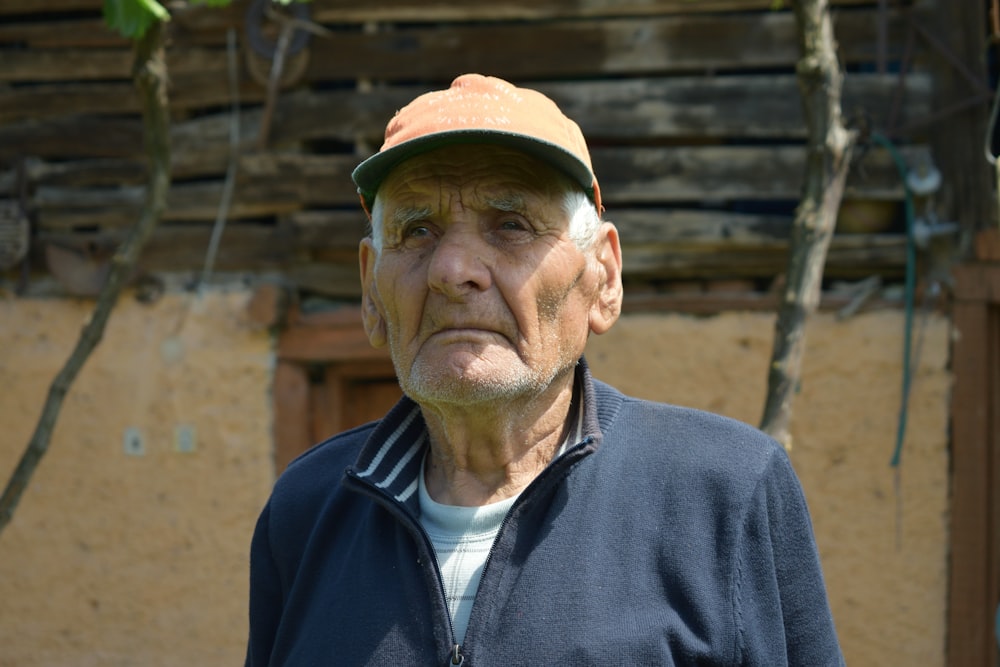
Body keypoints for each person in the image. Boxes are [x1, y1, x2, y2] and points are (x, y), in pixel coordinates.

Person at [245, 73, 844, 666]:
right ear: (371, 292)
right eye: (416, 230)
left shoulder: (725, 491)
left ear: (603, 277)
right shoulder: (306, 509)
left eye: (511, 224)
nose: (452, 269)